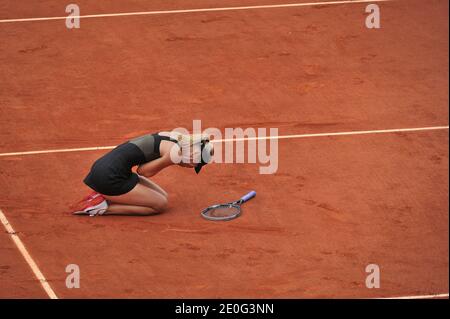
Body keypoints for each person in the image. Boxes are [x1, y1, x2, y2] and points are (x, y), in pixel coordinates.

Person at [73, 131, 213, 216]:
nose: (190, 167)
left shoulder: (178, 139)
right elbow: (144, 171)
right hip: (108, 177)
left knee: (163, 196)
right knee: (160, 205)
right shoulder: (173, 153)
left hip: (108, 168)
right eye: (195, 164)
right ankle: (101, 208)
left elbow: (141, 167)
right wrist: (169, 160)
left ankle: (102, 196)